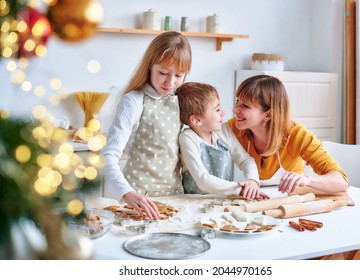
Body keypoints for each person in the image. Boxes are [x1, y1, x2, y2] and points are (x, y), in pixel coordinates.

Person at [101, 31, 192, 219]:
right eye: (163, 73)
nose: (170, 82)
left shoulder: (181, 100)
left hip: (175, 198)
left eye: (179, 75)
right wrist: (127, 193)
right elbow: (108, 156)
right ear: (149, 66)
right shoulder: (133, 101)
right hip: (139, 201)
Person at [227, 74, 349, 194]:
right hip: (258, 198)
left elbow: (341, 182)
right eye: (237, 101)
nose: (235, 109)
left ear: (268, 114)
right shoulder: (235, 127)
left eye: (245, 106)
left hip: (291, 199)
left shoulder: (298, 135)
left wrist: (306, 180)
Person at [176, 82, 269, 200]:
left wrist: (252, 181)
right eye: (217, 109)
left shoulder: (224, 131)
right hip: (195, 201)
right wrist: (239, 189)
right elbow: (202, 179)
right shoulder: (188, 138)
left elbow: (245, 160)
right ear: (197, 120)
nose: (223, 113)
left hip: (224, 200)